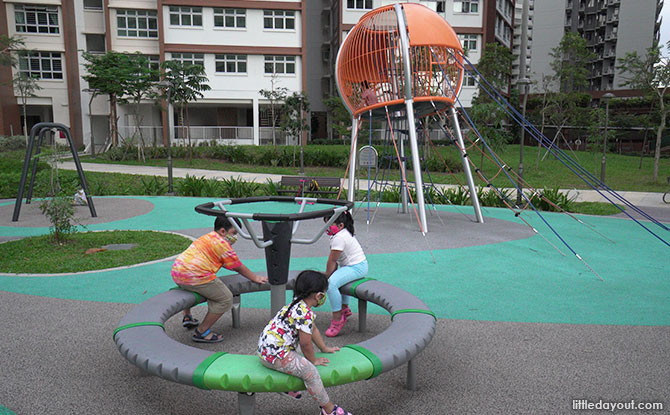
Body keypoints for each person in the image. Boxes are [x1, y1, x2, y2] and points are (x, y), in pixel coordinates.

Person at [258, 270, 353, 415]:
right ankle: (329, 410)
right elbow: (305, 343)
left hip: (264, 352)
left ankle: (286, 386)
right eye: (324, 293)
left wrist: (324, 348)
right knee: (310, 372)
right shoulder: (305, 314)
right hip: (275, 357)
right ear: (319, 296)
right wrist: (313, 360)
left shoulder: (295, 305)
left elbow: (312, 328)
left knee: (296, 359)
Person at [172, 216, 268, 343]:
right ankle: (202, 331)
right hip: (195, 276)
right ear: (223, 231)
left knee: (196, 290)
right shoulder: (222, 244)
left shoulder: (207, 237)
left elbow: (219, 260)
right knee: (225, 298)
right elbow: (237, 267)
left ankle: (187, 316)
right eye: (234, 233)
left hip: (178, 272)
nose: (236, 237)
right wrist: (255, 277)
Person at [323, 211, 368, 337]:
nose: (327, 227)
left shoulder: (339, 238)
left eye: (330, 224)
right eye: (326, 223)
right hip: (356, 266)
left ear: (340, 225)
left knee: (331, 284)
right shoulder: (341, 233)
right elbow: (335, 262)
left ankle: (337, 319)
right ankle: (344, 308)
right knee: (337, 280)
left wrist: (326, 278)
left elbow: (332, 261)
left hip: (356, 267)